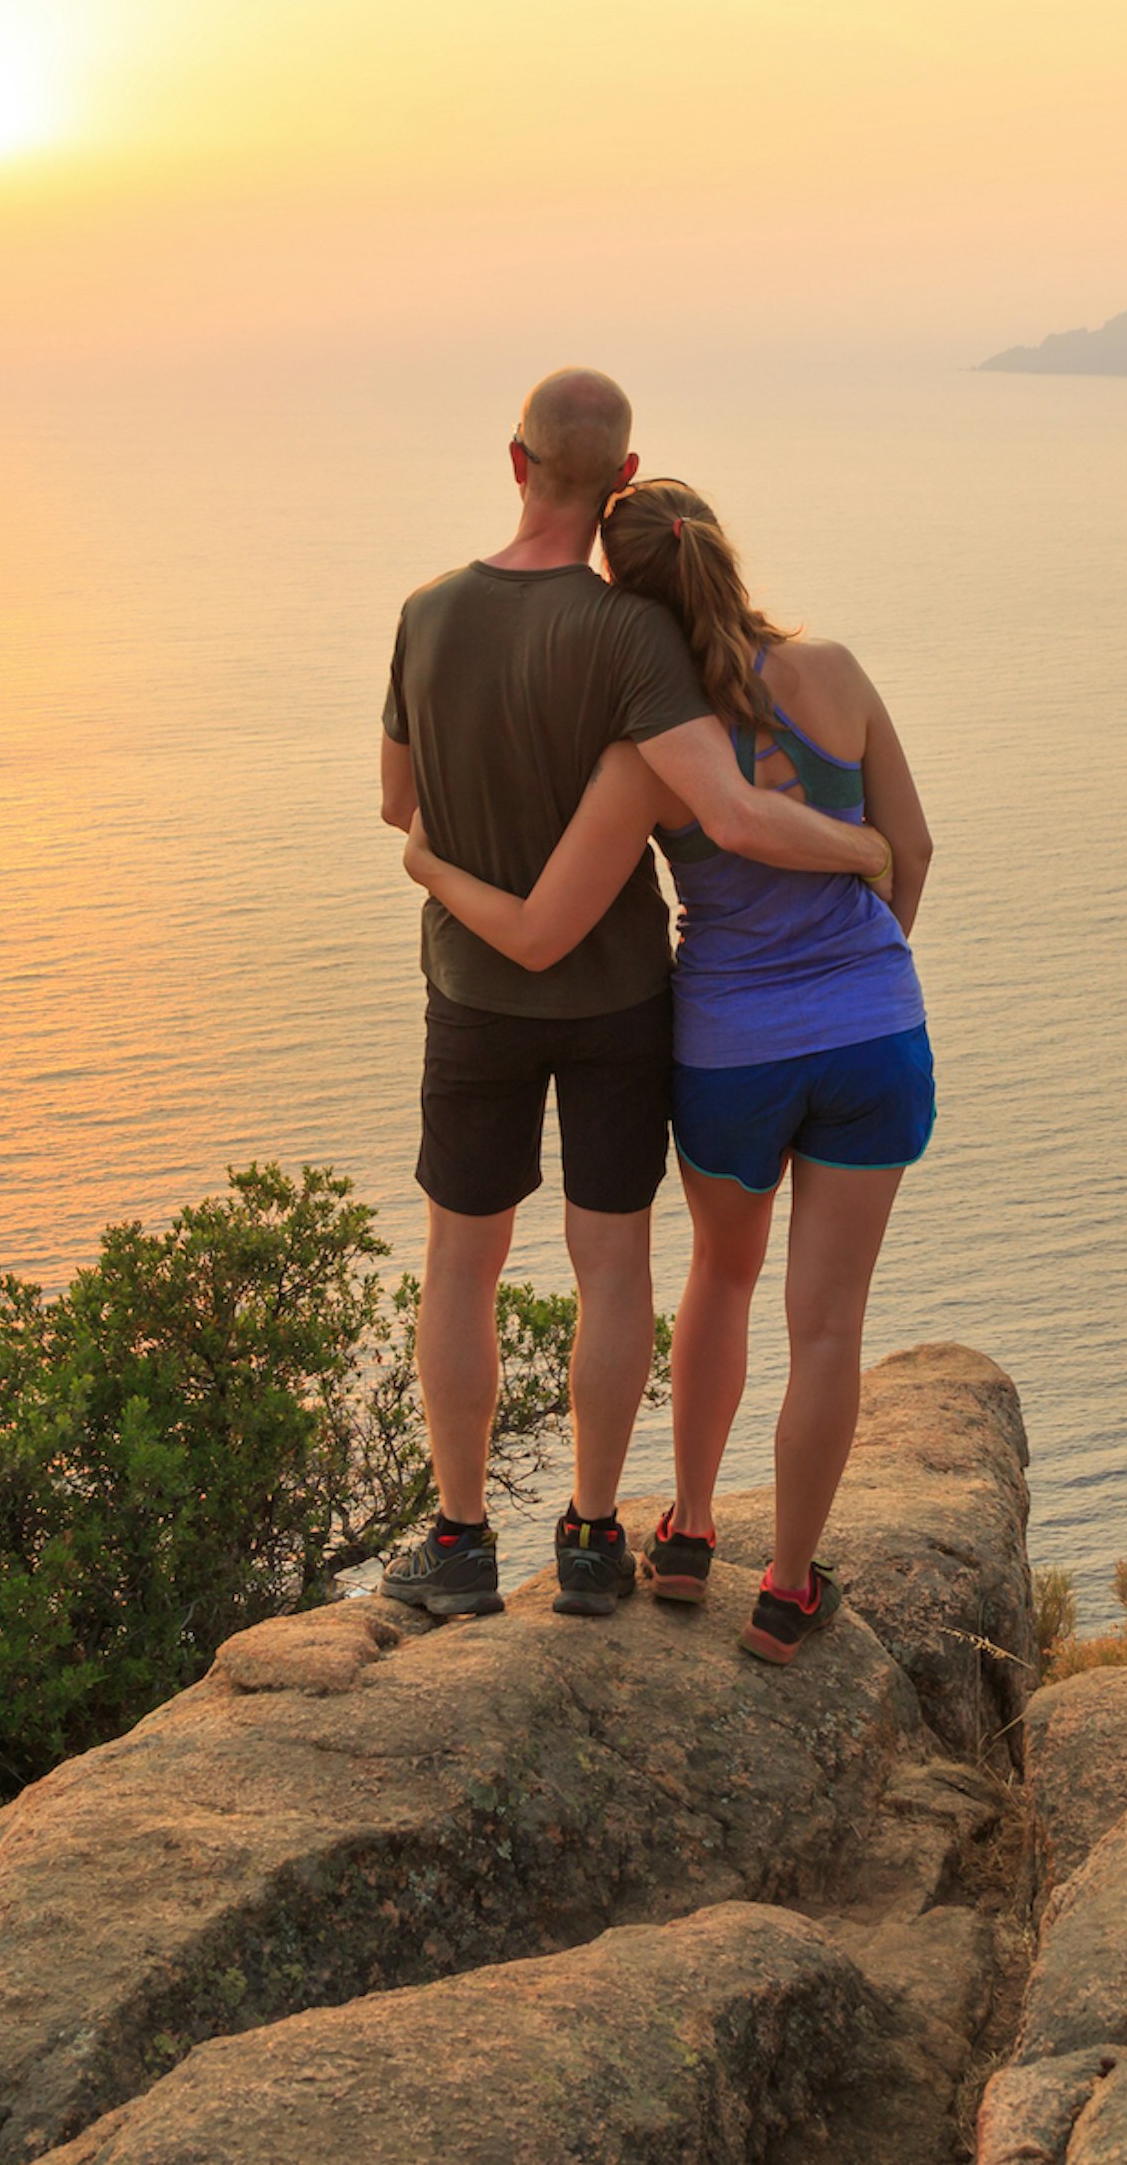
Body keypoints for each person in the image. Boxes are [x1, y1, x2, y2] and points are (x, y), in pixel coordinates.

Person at [376, 371, 892, 1627]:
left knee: (463, 1257)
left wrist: (444, 858)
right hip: (617, 998)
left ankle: (458, 1539)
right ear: (623, 474)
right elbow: (726, 807)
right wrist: (870, 855)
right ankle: (598, 1534)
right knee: (615, 1262)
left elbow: (400, 805)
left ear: (515, 460)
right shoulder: (632, 636)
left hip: (475, 989)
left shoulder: (427, 612)